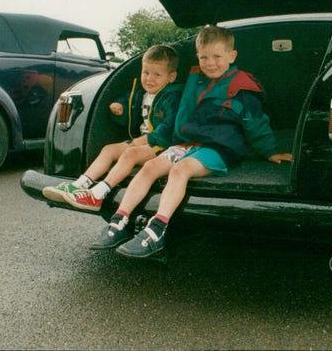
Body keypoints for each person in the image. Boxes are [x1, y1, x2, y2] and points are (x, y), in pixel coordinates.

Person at [90, 25, 292, 258]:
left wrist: (270, 152)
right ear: (198, 56)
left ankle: (157, 231)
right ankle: (118, 222)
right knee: (150, 166)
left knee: (180, 169)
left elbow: (255, 122)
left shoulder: (241, 84)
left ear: (231, 56)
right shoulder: (195, 79)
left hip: (218, 148)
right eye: (204, 57)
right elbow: (178, 105)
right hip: (187, 142)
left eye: (217, 56)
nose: (210, 63)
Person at [42, 44, 181, 211]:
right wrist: (119, 110)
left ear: (171, 77)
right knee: (109, 150)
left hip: (161, 145)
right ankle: (79, 185)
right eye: (146, 73)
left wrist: (143, 140)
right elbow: (129, 109)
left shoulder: (172, 97)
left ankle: (98, 195)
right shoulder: (140, 93)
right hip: (142, 141)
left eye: (157, 75)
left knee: (130, 154)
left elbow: (169, 129)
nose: (149, 79)